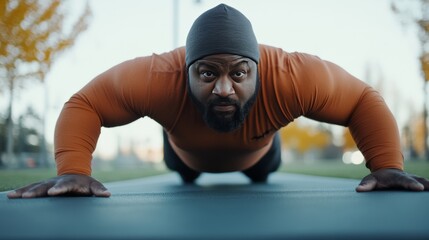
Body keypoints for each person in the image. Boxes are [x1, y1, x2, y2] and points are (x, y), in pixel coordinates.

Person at [8, 4, 429, 198]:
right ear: (186, 69)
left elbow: (362, 99)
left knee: (264, 171)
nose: (224, 88)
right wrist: (74, 172)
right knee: (184, 172)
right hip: (184, 157)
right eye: (208, 73)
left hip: (261, 155)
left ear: (258, 69)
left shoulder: (292, 77)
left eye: (239, 74)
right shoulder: (156, 78)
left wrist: (388, 165)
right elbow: (85, 103)